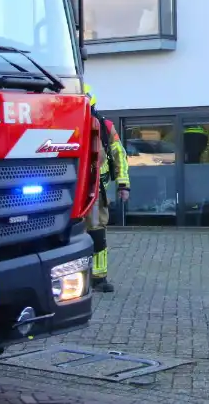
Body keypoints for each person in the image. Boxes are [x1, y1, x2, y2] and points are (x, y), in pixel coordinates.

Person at [84, 83, 130, 293]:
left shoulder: (104, 127)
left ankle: (99, 277)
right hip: (71, 189)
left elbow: (119, 155)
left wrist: (123, 184)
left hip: (95, 190)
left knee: (96, 233)